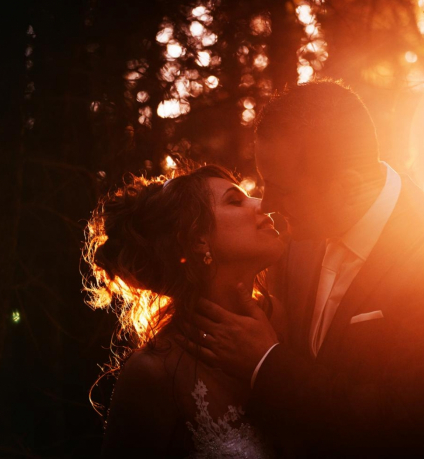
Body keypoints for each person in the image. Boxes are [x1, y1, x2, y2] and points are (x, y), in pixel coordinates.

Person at [181, 80, 424, 458]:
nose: (267, 204)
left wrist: (266, 363)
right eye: (264, 182)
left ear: (348, 186)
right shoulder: (294, 237)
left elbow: (411, 424)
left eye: (282, 188)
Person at [83, 165, 287, 457]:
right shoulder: (154, 371)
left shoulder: (282, 319)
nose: (262, 204)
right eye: (235, 200)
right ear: (197, 240)